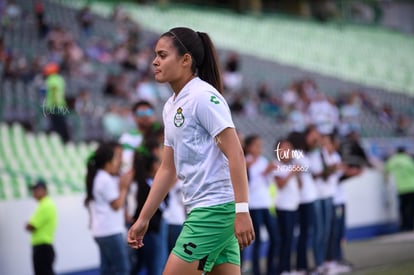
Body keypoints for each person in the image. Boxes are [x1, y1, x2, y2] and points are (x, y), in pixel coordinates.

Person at [127, 27, 255, 275]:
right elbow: (167, 168)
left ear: (186, 60)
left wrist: (242, 210)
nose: (154, 61)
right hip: (206, 211)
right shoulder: (170, 107)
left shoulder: (203, 97)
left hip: (214, 212)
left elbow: (236, 153)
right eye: (155, 55)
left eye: (162, 55)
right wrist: (144, 218)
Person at [85, 142, 134, 275]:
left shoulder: (100, 177)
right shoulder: (104, 179)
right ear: (107, 162)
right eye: (115, 159)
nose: (118, 162)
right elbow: (116, 205)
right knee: (122, 268)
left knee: (107, 269)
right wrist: (123, 188)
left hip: (102, 231)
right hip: (110, 231)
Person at [244, 134, 279, 275]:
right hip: (254, 205)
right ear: (248, 147)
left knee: (275, 238)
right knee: (257, 241)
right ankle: (257, 271)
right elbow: (247, 186)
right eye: (256, 145)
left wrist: (269, 172)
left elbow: (269, 183)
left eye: (260, 146)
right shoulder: (245, 163)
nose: (259, 148)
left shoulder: (263, 161)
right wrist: (265, 173)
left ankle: (271, 270)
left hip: (265, 204)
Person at [272, 138, 300, 275]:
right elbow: (280, 185)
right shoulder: (276, 165)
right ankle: (282, 269)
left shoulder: (292, 164)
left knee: (290, 239)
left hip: (293, 206)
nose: (287, 151)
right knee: (285, 240)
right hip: (283, 207)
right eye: (284, 148)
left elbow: (300, 186)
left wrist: (297, 173)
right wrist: (292, 173)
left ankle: (288, 268)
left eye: (289, 148)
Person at [25, 179, 58, 275]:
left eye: (36, 190)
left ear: (44, 190)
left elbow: (30, 226)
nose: (33, 193)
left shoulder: (45, 205)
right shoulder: (46, 204)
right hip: (44, 247)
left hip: (42, 248)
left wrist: (28, 225)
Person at [384, 146, 414, 231]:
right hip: (411, 187)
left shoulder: (393, 161)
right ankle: (410, 226)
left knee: (402, 208)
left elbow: (386, 170)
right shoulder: (408, 160)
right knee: (411, 208)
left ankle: (403, 226)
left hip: (400, 188)